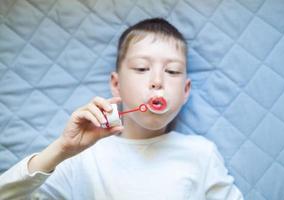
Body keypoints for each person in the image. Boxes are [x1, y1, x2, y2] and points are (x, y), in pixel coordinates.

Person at [0, 18, 243, 200]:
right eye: (141, 68)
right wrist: (61, 149)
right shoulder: (83, 156)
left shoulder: (201, 154)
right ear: (116, 85)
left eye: (172, 71)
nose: (157, 80)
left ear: (185, 91)